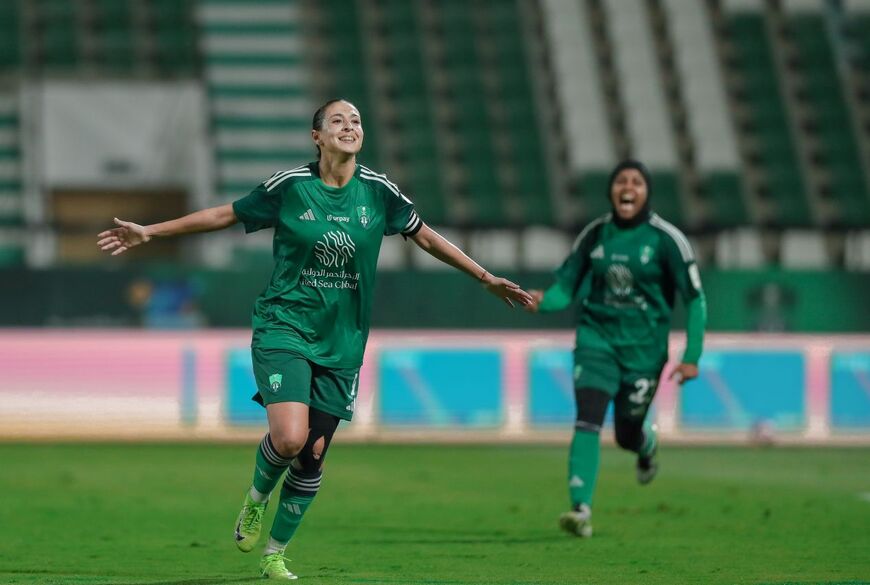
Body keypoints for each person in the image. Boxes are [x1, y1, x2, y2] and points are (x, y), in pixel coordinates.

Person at [97, 99, 532, 580]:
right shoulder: (290, 187)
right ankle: (256, 499)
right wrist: (151, 232)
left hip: (343, 342)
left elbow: (426, 236)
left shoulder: (379, 192)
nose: (350, 126)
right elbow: (225, 215)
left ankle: (274, 554)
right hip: (284, 326)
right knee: (289, 437)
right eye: (338, 121)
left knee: (313, 457)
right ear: (317, 136)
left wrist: (485, 277)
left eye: (356, 121)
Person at [525, 159, 706, 538]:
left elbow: (695, 299)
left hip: (644, 353)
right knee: (587, 418)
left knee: (626, 434)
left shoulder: (667, 239)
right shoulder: (595, 235)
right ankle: (581, 509)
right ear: (611, 191)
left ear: (647, 192)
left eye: (636, 182)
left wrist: (691, 356)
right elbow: (566, 287)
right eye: (621, 181)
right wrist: (543, 301)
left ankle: (646, 443)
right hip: (597, 342)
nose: (628, 187)